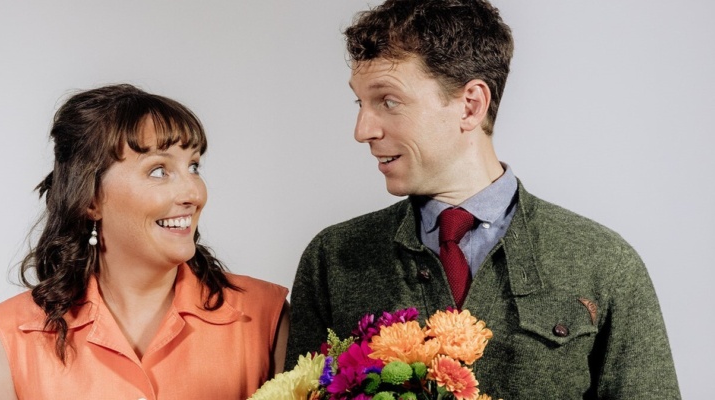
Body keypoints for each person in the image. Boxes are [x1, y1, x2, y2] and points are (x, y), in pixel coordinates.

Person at [286, 0, 681, 398]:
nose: (362, 130)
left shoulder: (604, 262)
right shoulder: (332, 259)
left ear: (471, 104)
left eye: (388, 101)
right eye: (361, 103)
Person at [0, 84, 289, 400]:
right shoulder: (11, 334)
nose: (194, 193)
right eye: (159, 171)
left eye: (193, 166)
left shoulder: (265, 315)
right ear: (89, 199)